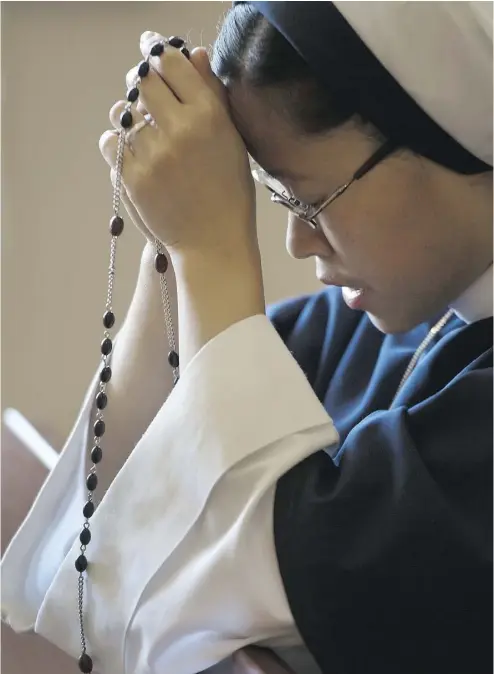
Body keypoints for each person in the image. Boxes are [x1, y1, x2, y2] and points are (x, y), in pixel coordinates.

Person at [2, 2, 492, 674]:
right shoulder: (364, 323)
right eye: (279, 200)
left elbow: (230, 596)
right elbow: (102, 554)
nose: (298, 242)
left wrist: (209, 247)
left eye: (312, 198)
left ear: (442, 133)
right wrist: (175, 239)